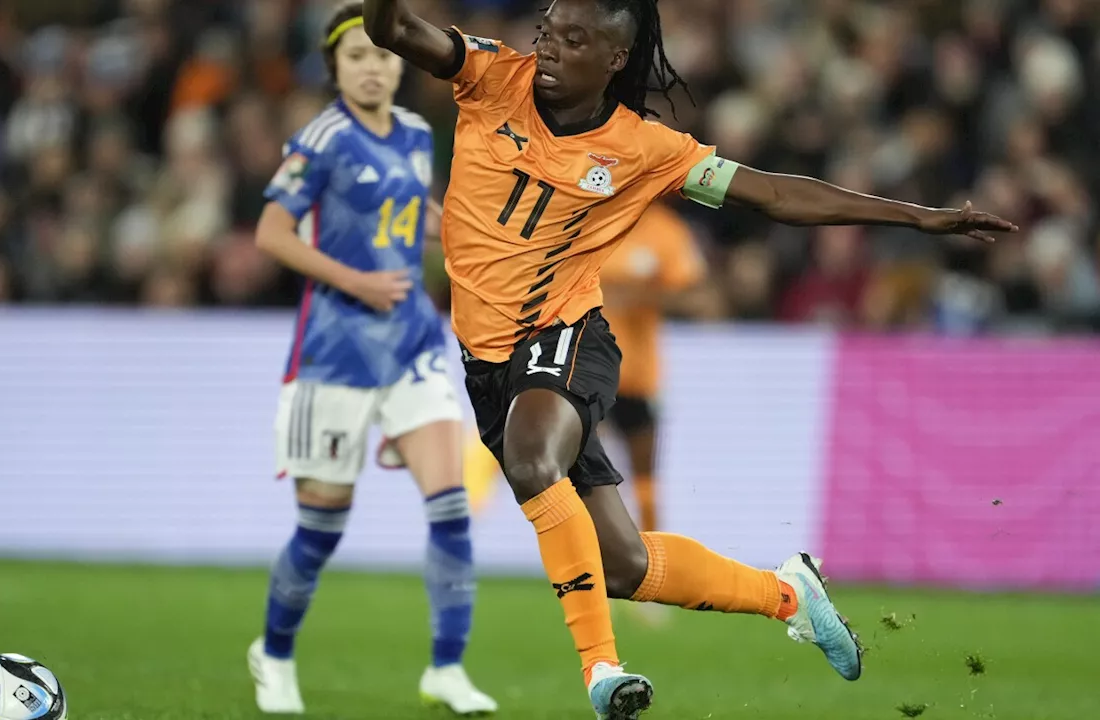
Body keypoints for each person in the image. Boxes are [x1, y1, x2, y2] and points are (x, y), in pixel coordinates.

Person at [362, 0, 1017, 717]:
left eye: (573, 39)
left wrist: (916, 216)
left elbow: (771, 194)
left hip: (568, 335)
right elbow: (390, 29)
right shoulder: (489, 75)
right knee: (621, 564)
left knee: (528, 455)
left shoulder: (645, 149)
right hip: (486, 363)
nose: (547, 48)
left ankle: (601, 672)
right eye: (546, 30)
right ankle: (789, 594)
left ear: (614, 59)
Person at [248, 3, 497, 715]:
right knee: (322, 526)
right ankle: (275, 651)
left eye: (382, 55)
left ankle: (446, 667)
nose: (371, 66)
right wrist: (354, 279)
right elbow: (271, 232)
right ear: (335, 68)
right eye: (355, 56)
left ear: (399, 62)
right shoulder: (321, 139)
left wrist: (457, 234)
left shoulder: (418, 135)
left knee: (450, 505)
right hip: (335, 352)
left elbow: (409, 216)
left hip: (412, 342)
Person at [598, 200, 705, 627]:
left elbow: (697, 294)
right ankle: (593, 577)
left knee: (645, 481)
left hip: (639, 376)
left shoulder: (666, 231)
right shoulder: (594, 215)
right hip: (588, 373)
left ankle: (650, 583)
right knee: (585, 479)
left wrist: (640, 295)